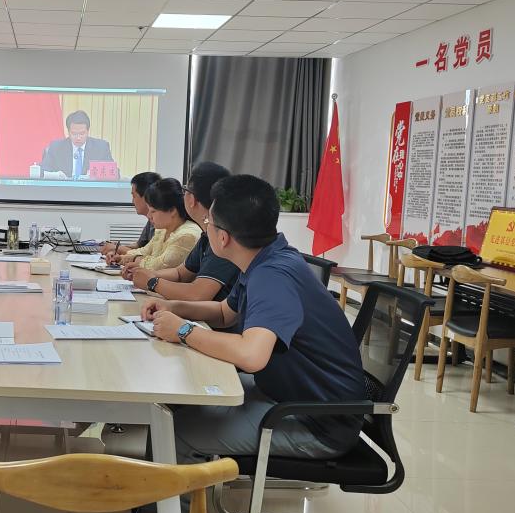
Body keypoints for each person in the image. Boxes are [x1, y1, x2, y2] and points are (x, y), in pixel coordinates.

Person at [142, 174, 366, 469]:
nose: (206, 227)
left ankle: (173, 500)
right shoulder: (265, 258)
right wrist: (175, 307)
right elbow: (225, 313)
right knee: (179, 398)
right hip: (286, 393)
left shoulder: (273, 275)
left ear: (223, 238)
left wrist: (183, 330)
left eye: (209, 222)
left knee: (173, 431)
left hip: (313, 420)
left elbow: (251, 354)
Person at [125, 162, 239, 302]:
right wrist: (145, 274)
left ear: (192, 199)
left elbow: (197, 294)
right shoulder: (207, 235)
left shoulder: (222, 239)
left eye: (185, 190)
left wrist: (152, 282)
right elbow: (180, 273)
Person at [110, 178, 201, 271]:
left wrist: (133, 259)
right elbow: (143, 251)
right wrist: (120, 258)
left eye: (153, 211)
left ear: (172, 210)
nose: (149, 216)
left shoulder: (187, 235)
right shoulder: (162, 230)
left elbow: (158, 266)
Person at [100, 171, 161, 258]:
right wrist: (117, 249)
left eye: (134, 196)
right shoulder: (151, 220)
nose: (132, 201)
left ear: (146, 197)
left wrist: (117, 249)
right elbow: (139, 246)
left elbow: (149, 256)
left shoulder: (161, 224)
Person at [40, 110, 115, 178]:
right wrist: (56, 175)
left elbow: (115, 173)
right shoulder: (56, 147)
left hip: (90, 188)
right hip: (64, 188)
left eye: (82, 134)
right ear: (68, 132)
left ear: (88, 131)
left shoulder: (101, 148)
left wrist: (95, 173)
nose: (78, 138)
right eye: (74, 134)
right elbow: (42, 172)